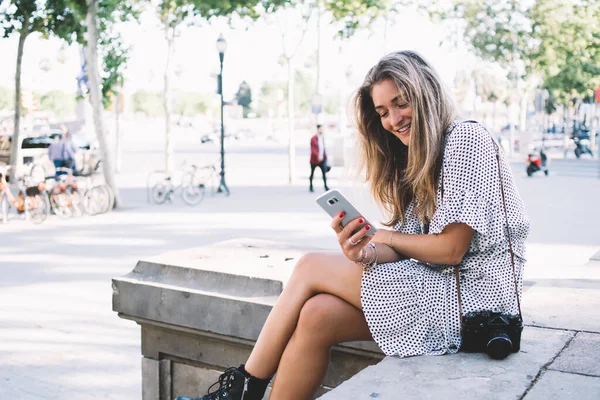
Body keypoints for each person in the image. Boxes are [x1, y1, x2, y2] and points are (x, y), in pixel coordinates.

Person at [176, 51, 530, 400]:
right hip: (440, 292)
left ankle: (244, 387)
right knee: (316, 316)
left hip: (476, 304)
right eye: (382, 112)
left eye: (401, 103)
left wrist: (384, 235)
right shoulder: (416, 156)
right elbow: (411, 248)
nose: (393, 119)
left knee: (310, 266)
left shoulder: (466, 139)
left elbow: (451, 249)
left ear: (425, 94)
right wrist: (367, 251)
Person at [309, 124, 329, 192]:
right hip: (314, 160)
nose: (322, 130)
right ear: (318, 129)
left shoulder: (322, 138)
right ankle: (311, 186)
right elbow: (313, 149)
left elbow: (323, 148)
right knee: (312, 173)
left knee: (324, 173)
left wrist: (325, 157)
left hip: (322, 160)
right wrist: (318, 156)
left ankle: (326, 186)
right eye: (321, 129)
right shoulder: (313, 138)